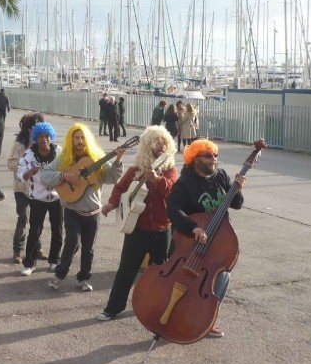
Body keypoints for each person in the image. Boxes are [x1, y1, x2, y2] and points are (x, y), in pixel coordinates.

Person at [97, 125, 178, 321]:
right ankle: (112, 309)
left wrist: (157, 179)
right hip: (136, 229)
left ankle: (157, 309)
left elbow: (171, 191)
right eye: (156, 141)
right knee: (126, 270)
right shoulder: (135, 170)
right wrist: (111, 203)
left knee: (159, 273)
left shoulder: (170, 170)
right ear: (147, 145)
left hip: (161, 230)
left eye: (163, 142)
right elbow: (119, 187)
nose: (160, 145)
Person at [166, 139, 246, 338]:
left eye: (215, 155)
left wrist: (237, 188)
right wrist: (193, 227)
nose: (213, 160)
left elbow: (236, 204)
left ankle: (206, 319)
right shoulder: (185, 183)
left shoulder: (221, 176)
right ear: (195, 158)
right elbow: (173, 210)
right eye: (208, 156)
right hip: (189, 243)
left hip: (215, 242)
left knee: (221, 277)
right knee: (183, 282)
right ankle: (172, 314)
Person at [39, 123, 124, 292]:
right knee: (71, 242)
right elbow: (44, 175)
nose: (79, 141)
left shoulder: (96, 157)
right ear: (72, 140)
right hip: (72, 209)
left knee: (89, 249)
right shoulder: (64, 158)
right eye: (76, 138)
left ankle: (84, 278)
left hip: (93, 212)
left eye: (82, 137)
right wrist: (64, 176)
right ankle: (59, 275)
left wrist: (118, 160)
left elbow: (111, 178)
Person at [17, 122, 63, 276]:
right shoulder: (29, 154)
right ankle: (29, 263)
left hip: (57, 197)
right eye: (42, 136)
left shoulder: (58, 151)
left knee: (58, 230)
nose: (45, 139)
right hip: (37, 198)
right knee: (35, 231)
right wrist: (30, 172)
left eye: (48, 136)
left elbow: (68, 167)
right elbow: (20, 176)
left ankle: (54, 260)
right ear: (36, 138)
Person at [7, 113, 45, 264]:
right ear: (27, 129)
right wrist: (26, 165)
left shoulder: (43, 146)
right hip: (21, 188)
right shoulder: (19, 145)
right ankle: (17, 250)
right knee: (23, 219)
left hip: (38, 188)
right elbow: (10, 164)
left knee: (37, 220)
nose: (37, 133)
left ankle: (38, 248)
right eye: (33, 129)